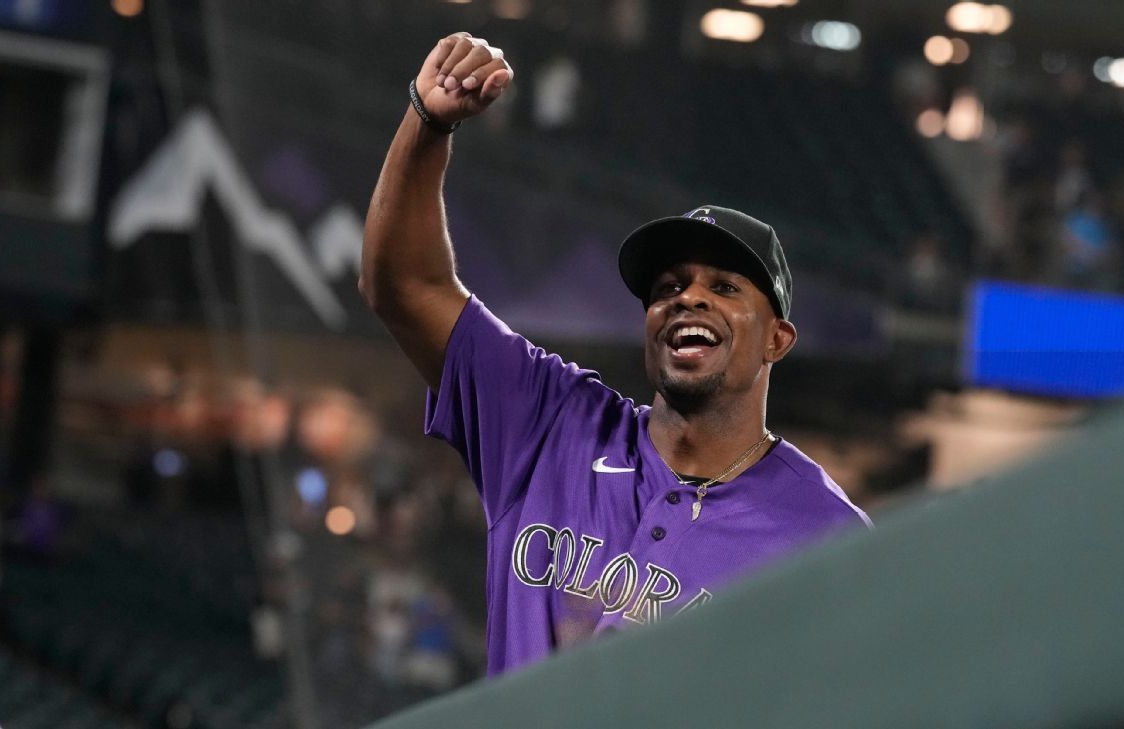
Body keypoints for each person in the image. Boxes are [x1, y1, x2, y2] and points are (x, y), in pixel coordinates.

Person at [359, 32, 870, 675]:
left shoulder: (825, 535)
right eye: (669, 287)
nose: (689, 299)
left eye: (725, 287)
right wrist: (427, 122)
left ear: (778, 338)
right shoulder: (548, 423)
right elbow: (403, 286)